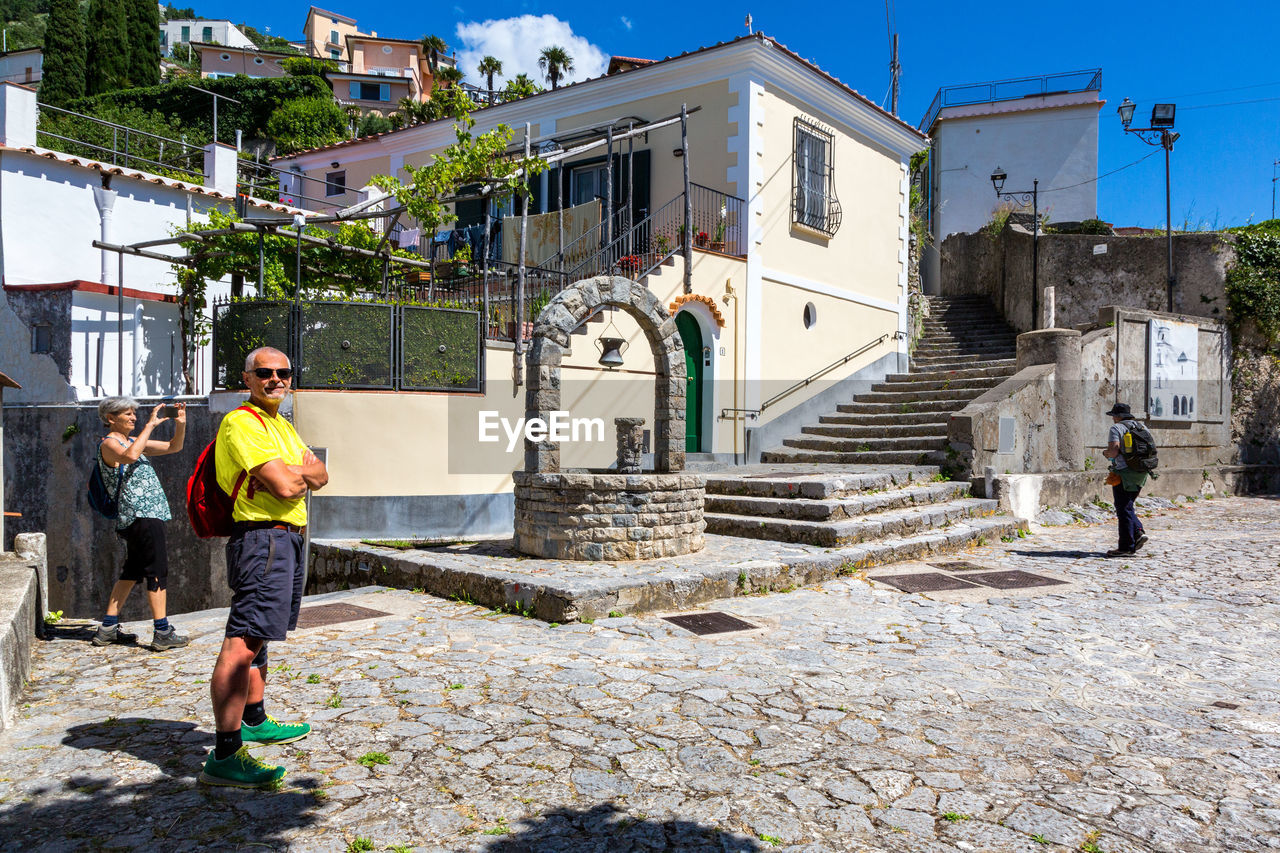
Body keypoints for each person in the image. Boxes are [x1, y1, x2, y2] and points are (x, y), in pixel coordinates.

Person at [200, 347, 328, 789]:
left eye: (284, 372)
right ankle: (226, 754)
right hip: (262, 538)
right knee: (243, 641)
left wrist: (301, 473)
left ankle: (254, 720)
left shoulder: (282, 426)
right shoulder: (241, 422)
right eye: (265, 372)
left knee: (262, 636)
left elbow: (321, 474)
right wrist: (297, 473)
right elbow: (287, 483)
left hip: (286, 536)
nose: (276, 378)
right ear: (248, 378)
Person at [91, 397, 189, 651]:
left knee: (133, 570)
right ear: (110, 418)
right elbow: (130, 457)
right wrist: (150, 425)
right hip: (139, 514)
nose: (133, 418)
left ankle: (108, 628)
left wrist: (180, 424)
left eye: (134, 414)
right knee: (157, 569)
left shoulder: (135, 441)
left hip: (147, 514)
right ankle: (162, 631)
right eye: (127, 414)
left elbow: (173, 447)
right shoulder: (110, 443)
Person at [1102, 402, 1149, 558]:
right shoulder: (1141, 427)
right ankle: (1137, 532)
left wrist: (1106, 453)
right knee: (1127, 506)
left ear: (1116, 416)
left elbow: (1114, 451)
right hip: (1141, 472)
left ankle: (1126, 547)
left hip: (1124, 473)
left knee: (1123, 508)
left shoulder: (1117, 428)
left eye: (1113, 416)